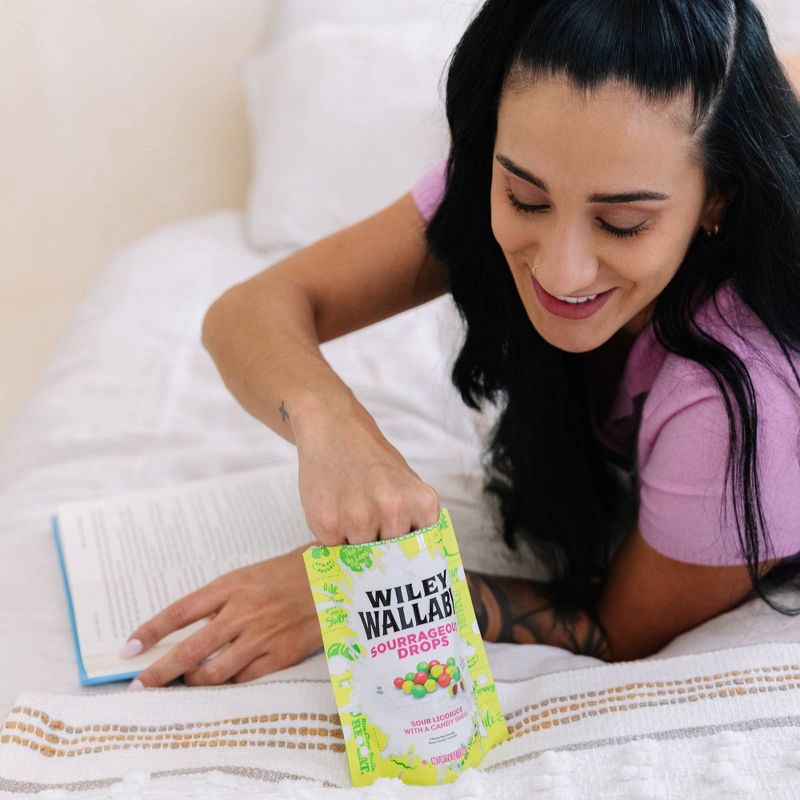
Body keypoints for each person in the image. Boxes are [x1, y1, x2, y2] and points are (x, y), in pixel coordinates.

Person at [124, 0, 800, 689]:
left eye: (623, 223)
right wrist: (332, 424)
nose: (562, 272)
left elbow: (621, 630)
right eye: (526, 200)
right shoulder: (534, 162)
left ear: (718, 200)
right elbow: (248, 309)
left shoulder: (747, 392)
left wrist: (367, 589)